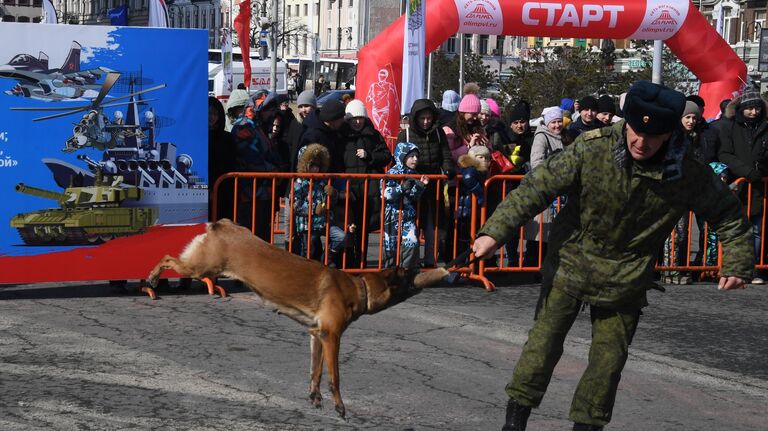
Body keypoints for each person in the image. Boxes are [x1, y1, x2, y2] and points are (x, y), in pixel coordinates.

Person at [472, 80, 753, 431]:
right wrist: (494, 233)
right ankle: (514, 423)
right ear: (626, 122)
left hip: (627, 277)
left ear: (669, 135)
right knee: (541, 350)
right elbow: (536, 188)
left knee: (607, 365)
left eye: (654, 136)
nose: (641, 142)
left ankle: (587, 427)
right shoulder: (593, 149)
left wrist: (738, 262)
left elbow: (728, 214)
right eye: (635, 131)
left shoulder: (686, 173)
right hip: (571, 263)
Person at [718, 87, 768, 284]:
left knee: (757, 230)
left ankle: (751, 269)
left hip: (759, 188)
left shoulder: (765, 126)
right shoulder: (730, 127)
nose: (753, 112)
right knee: (736, 230)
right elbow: (725, 154)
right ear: (741, 109)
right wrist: (746, 171)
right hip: (737, 185)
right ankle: (733, 269)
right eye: (749, 108)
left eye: (756, 108)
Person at [397, 98, 455, 267]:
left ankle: (430, 260)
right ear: (415, 118)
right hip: (412, 186)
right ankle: (411, 262)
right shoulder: (405, 135)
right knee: (411, 226)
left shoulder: (438, 133)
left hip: (433, 185)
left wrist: (448, 168)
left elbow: (445, 154)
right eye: (422, 118)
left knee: (432, 227)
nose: (425, 122)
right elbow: (399, 160)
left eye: (429, 118)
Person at [340, 99, 392, 267]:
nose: (357, 121)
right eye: (353, 118)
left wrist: (370, 155)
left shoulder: (373, 135)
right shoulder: (341, 135)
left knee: (363, 229)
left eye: (360, 118)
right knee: (347, 227)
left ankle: (360, 262)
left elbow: (386, 156)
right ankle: (347, 262)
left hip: (369, 191)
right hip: (348, 189)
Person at [231, 91, 283, 241]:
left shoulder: (259, 127)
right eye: (270, 109)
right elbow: (251, 158)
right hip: (250, 193)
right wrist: (274, 169)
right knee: (251, 238)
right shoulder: (244, 127)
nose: (273, 113)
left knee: (262, 236)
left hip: (263, 192)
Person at [293, 144, 348, 262]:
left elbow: (330, 202)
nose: (316, 169)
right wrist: (313, 209)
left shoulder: (322, 181)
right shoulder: (299, 182)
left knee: (341, 237)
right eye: (312, 165)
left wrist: (334, 194)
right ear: (305, 164)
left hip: (324, 222)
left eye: (318, 165)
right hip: (308, 225)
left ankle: (326, 259)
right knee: (308, 252)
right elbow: (295, 205)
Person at [382, 142, 429, 269]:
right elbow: (385, 194)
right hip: (391, 216)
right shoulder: (392, 173)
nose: (415, 159)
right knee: (390, 248)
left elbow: (413, 197)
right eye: (411, 156)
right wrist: (401, 188)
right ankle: (389, 273)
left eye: (417, 156)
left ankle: (405, 272)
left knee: (412, 242)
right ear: (402, 156)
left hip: (408, 216)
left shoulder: (415, 174)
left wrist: (420, 186)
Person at [456, 145, 490, 256]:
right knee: (465, 238)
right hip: (466, 208)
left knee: (471, 236)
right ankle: (462, 263)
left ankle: (470, 261)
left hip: (471, 207)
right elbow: (468, 178)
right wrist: (479, 194)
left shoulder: (480, 170)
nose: (484, 160)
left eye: (486, 157)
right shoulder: (471, 168)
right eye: (480, 157)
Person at [208, 96, 236, 221]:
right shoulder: (196, 138)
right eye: (208, 113)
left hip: (223, 190)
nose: (211, 117)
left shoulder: (227, 138)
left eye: (214, 113)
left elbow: (230, 164)